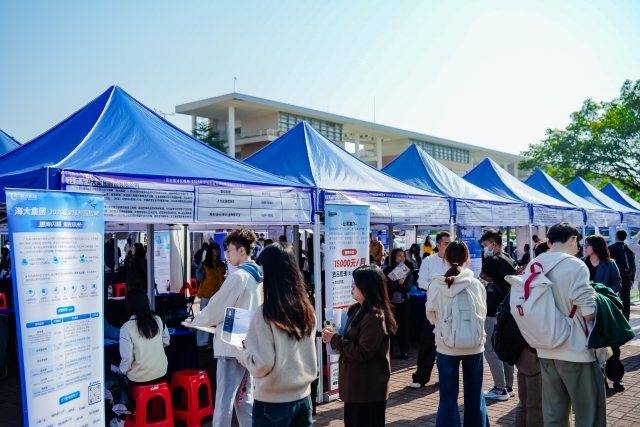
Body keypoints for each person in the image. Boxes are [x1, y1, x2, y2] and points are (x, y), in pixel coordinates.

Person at [236, 243, 316, 427]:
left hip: (272, 401)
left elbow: (263, 363)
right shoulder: (306, 308)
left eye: (263, 268)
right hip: (303, 396)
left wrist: (243, 354)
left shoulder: (265, 313)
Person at [190, 229, 264, 427]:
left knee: (224, 400)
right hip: (250, 344)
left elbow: (217, 308)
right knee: (244, 399)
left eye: (229, 250)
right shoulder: (258, 276)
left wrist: (195, 321)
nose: (226, 255)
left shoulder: (238, 277)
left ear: (241, 250)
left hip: (232, 345)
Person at [536, 223, 604, 426]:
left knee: (554, 413)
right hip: (575, 347)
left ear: (549, 242)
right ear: (573, 239)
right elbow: (589, 314)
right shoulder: (575, 265)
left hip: (545, 347)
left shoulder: (535, 264)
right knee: (588, 413)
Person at [322, 265, 397, 427]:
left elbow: (364, 352)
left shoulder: (373, 316)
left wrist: (335, 339)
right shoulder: (358, 309)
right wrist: (333, 333)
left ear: (367, 287)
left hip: (367, 391)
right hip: (357, 388)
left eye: (356, 284)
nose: (352, 287)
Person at [425, 241, 488, 427]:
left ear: (445, 259)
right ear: (466, 259)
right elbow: (483, 313)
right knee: (475, 394)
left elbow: (431, 316)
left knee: (448, 396)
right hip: (474, 345)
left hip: (446, 346)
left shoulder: (436, 285)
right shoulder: (476, 284)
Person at [514, 239, 550, 427]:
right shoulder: (541, 277)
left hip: (520, 345)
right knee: (535, 404)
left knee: (525, 401)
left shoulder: (523, 272)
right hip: (535, 346)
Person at [582, 234, 625, 392]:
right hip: (588, 310)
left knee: (613, 345)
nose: (584, 247)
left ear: (596, 246)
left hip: (607, 308)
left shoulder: (610, 264)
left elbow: (618, 284)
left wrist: (601, 291)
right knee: (595, 345)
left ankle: (616, 377)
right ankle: (601, 379)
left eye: (587, 245)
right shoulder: (581, 263)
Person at [410, 231, 452, 388]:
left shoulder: (455, 262)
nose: (449, 246)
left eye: (450, 243)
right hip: (433, 309)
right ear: (438, 245)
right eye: (446, 243)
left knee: (448, 345)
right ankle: (420, 378)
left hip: (450, 309)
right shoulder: (429, 261)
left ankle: (446, 377)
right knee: (427, 342)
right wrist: (435, 286)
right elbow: (420, 281)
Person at [479, 229, 517, 400]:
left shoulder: (492, 261)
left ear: (493, 244)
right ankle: (508, 386)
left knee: (490, 349)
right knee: (505, 348)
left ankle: (500, 389)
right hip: (507, 311)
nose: (484, 248)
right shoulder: (508, 258)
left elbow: (479, 286)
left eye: (486, 245)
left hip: (492, 311)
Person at [117, 289, 169, 386]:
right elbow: (166, 341)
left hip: (139, 378)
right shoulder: (158, 320)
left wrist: (120, 371)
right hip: (161, 373)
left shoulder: (126, 328)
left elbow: (127, 359)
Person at [195, 242, 226, 349]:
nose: (218, 250)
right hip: (206, 294)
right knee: (204, 318)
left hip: (218, 295)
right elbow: (199, 277)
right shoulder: (205, 265)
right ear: (210, 250)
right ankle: (201, 342)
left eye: (218, 248)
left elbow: (223, 278)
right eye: (215, 248)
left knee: (217, 319)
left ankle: (216, 342)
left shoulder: (222, 265)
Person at [383, 248, 414, 359]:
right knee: (390, 326)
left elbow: (408, 287)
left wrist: (399, 285)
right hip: (391, 303)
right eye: (399, 255)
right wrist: (398, 283)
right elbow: (387, 287)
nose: (402, 258)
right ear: (394, 257)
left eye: (403, 256)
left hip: (404, 302)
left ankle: (404, 351)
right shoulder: (387, 271)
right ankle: (390, 351)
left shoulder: (408, 270)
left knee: (404, 326)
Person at [608, 229, 636, 320]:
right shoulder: (629, 248)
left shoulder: (611, 248)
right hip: (627, 275)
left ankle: (615, 318)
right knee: (626, 297)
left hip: (615, 276)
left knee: (613, 296)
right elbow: (633, 263)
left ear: (616, 236)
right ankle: (626, 318)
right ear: (625, 238)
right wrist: (632, 277)